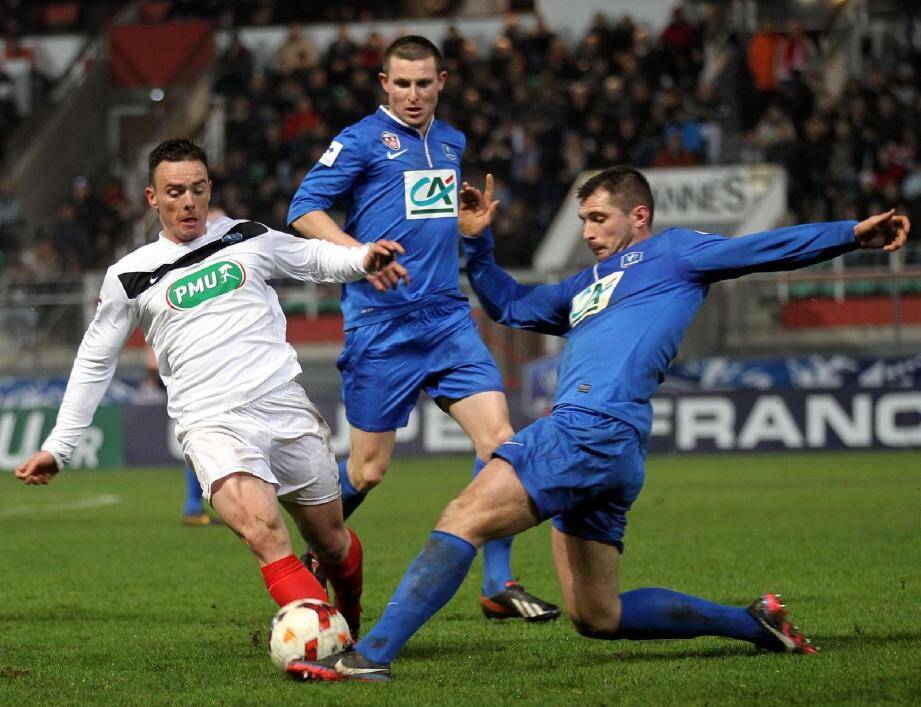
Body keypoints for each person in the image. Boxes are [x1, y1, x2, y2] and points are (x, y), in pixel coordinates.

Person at [288, 167, 910, 681]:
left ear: (638, 217)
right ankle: (754, 621)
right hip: (614, 448)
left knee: (462, 517)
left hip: (587, 428)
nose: (587, 232)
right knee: (597, 615)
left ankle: (370, 658)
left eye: (598, 219)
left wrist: (852, 233)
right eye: (583, 219)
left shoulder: (673, 253)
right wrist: (475, 241)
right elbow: (510, 305)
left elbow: (758, 250)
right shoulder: (588, 285)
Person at [15, 138, 407, 636]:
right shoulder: (129, 275)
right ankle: (325, 645)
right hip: (210, 421)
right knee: (264, 533)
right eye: (175, 191)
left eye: (197, 190)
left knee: (331, 541)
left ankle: (347, 618)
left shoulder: (247, 236)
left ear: (209, 190)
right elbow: (95, 361)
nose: (188, 202)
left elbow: (311, 257)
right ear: (152, 198)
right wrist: (60, 445)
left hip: (282, 403)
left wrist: (362, 260)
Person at [287, 35, 559, 621]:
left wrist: (473, 229)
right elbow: (303, 209)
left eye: (424, 83)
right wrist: (360, 254)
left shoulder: (452, 141)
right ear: (384, 84)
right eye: (402, 83)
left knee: (501, 444)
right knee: (368, 470)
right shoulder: (360, 140)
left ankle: (498, 583)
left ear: (442, 82)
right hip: (381, 326)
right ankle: (311, 552)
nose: (413, 94)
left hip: (446, 318)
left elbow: (434, 220)